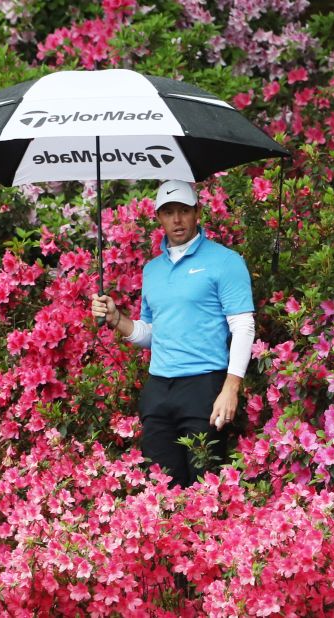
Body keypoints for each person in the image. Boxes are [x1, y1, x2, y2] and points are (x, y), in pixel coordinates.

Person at [91, 179, 256, 488]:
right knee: (163, 491)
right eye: (168, 212)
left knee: (206, 491)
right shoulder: (152, 270)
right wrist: (116, 318)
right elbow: (152, 333)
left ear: (198, 213)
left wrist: (231, 387)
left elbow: (243, 326)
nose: (177, 220)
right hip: (159, 392)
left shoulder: (226, 262)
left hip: (205, 388)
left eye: (183, 210)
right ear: (159, 218)